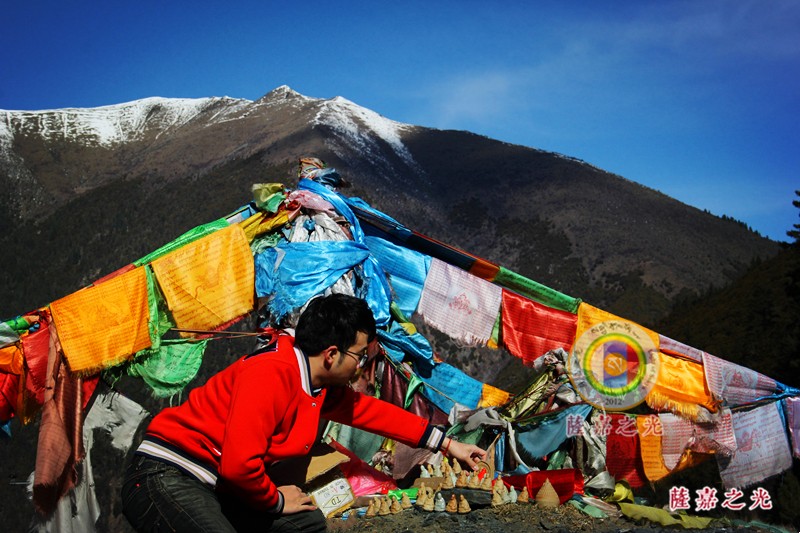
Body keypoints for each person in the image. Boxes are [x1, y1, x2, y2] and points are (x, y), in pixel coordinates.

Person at [121, 293, 486, 532]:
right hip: (169, 474)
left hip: (221, 486)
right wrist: (276, 499)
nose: (361, 368)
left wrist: (446, 444)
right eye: (359, 356)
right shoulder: (271, 372)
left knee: (306, 524)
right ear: (331, 354)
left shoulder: (316, 385)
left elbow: (370, 412)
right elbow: (238, 465)